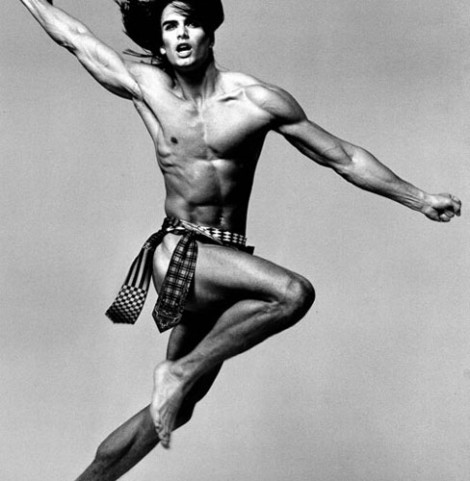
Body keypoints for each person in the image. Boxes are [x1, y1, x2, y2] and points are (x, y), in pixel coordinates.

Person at [19, 0, 462, 479]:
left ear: (211, 31)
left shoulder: (257, 101)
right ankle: (179, 373)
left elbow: (343, 157)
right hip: (181, 254)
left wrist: (419, 198)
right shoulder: (146, 87)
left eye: (191, 23)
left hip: (226, 263)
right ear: (160, 41)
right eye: (171, 26)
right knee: (292, 293)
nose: (181, 34)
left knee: (177, 411)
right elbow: (75, 38)